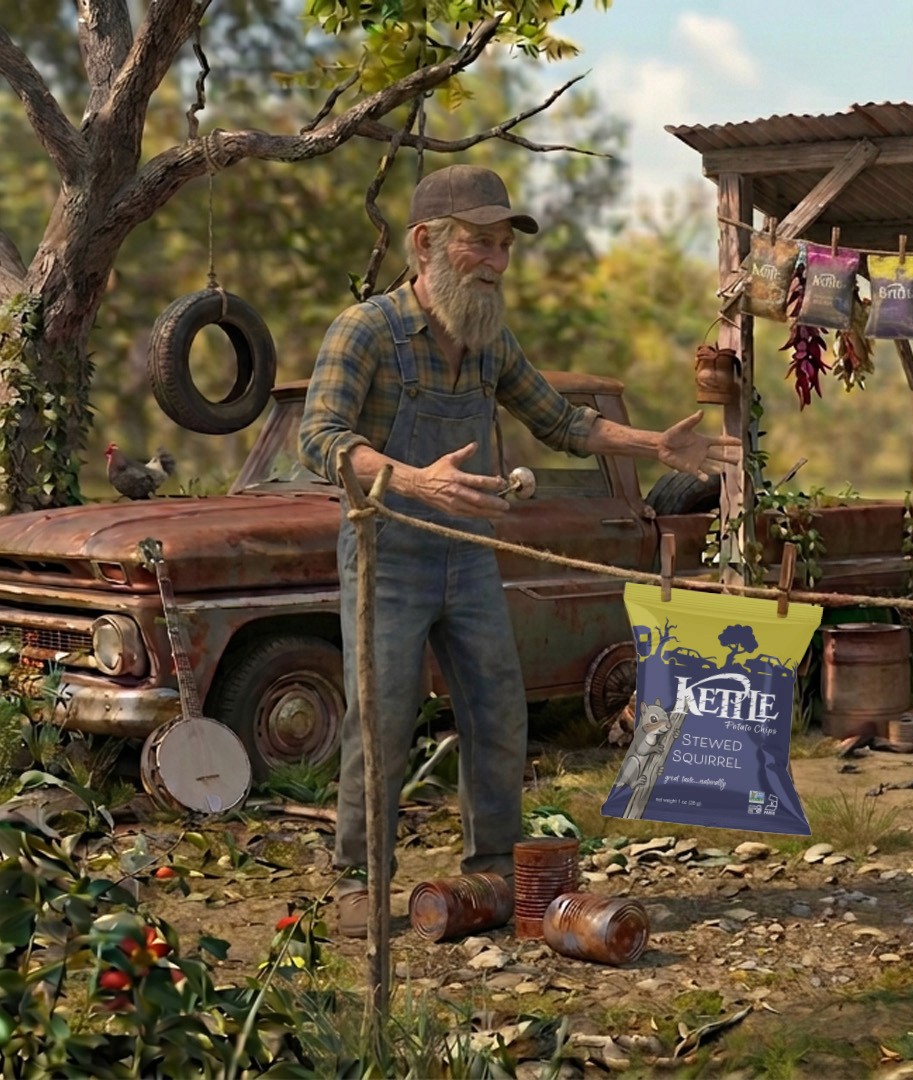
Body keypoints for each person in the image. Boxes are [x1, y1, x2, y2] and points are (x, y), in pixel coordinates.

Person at [298, 164, 739, 935]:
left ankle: (495, 872)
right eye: (480, 243)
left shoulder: (487, 337)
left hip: (468, 557)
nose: (497, 261)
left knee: (500, 711)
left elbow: (560, 421)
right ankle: (357, 880)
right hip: (386, 559)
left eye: (504, 245)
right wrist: (411, 480)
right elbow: (320, 439)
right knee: (382, 720)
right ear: (425, 243)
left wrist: (652, 444)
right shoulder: (366, 330)